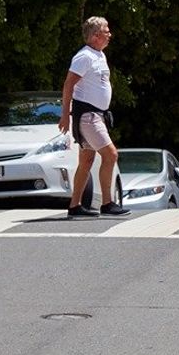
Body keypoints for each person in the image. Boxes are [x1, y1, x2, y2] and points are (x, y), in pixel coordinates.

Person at [59, 16, 124, 218]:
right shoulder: (84, 56)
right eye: (106, 30)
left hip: (96, 115)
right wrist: (65, 116)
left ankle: (75, 206)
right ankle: (107, 203)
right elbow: (69, 84)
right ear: (96, 36)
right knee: (111, 155)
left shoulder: (99, 55)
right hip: (88, 116)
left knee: (86, 160)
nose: (109, 34)